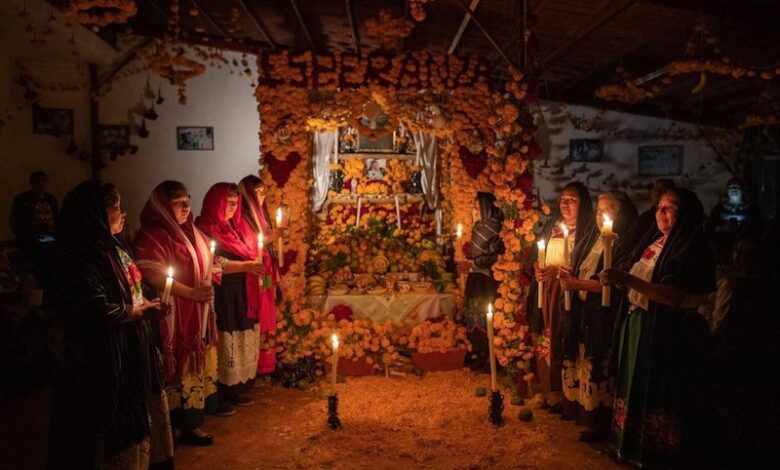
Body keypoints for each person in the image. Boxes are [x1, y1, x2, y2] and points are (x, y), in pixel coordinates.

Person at [48, 181, 172, 469]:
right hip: (103, 358)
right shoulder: (81, 256)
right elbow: (93, 308)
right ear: (94, 214)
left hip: (130, 347)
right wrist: (138, 312)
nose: (123, 212)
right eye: (116, 206)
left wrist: (148, 303)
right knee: (109, 432)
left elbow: (130, 288)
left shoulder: (114, 245)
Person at [601, 187, 715, 468]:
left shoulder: (689, 248)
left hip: (668, 333)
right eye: (658, 207)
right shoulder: (654, 242)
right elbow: (635, 275)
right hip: (638, 324)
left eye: (669, 207)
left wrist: (627, 280)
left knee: (658, 391)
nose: (660, 212)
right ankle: (627, 446)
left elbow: (672, 295)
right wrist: (618, 279)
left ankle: (655, 453)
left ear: (685, 213)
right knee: (633, 386)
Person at [135, 181, 217, 446]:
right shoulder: (153, 235)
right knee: (172, 368)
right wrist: (192, 293)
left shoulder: (191, 231)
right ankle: (170, 427)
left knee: (189, 368)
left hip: (195, 310)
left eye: (187, 201)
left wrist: (210, 277)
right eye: (177, 203)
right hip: (170, 313)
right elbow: (154, 274)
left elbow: (209, 262)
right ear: (161, 206)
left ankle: (191, 423)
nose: (186, 207)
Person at [559, 190, 639, 441]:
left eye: (608, 210)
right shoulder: (591, 239)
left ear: (621, 214)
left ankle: (600, 421)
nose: (601, 215)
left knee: (600, 364)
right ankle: (578, 408)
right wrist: (568, 274)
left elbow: (614, 283)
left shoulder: (626, 244)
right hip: (584, 311)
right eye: (598, 210)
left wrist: (577, 285)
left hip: (606, 314)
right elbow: (580, 268)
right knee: (583, 361)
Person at [195, 183, 265, 416]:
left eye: (235, 204)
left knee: (241, 336)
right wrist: (246, 266)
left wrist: (255, 263)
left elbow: (251, 251)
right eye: (228, 203)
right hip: (223, 292)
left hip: (242, 291)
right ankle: (220, 393)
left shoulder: (236, 227)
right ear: (215, 203)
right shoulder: (204, 228)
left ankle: (236, 387)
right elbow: (214, 263)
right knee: (226, 339)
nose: (232, 208)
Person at [531, 181, 595, 413]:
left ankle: (565, 395)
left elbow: (586, 263)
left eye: (572, 200)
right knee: (546, 337)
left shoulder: (588, 231)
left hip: (568, 293)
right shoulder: (553, 226)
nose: (565, 204)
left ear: (582, 204)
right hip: (547, 290)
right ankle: (549, 389)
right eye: (563, 199)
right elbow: (540, 254)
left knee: (563, 336)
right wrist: (539, 268)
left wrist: (559, 271)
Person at [238, 175, 279, 375]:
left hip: (266, 272)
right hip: (255, 274)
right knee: (261, 316)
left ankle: (267, 364)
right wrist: (274, 236)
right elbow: (252, 244)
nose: (262, 197)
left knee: (269, 315)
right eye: (258, 193)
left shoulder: (260, 215)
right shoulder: (244, 217)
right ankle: (259, 366)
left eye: (264, 192)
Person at [461, 192, 504, 370]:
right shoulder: (478, 226)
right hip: (475, 277)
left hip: (487, 279)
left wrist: (474, 262)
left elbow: (495, 255)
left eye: (478, 205)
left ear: (486, 206)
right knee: (474, 314)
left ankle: (491, 356)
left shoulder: (496, 227)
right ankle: (478, 352)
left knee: (487, 314)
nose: (475, 208)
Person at [10, 171, 59, 287]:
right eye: (37, 181)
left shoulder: (51, 200)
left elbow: (57, 219)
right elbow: (15, 221)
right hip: (30, 242)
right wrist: (26, 236)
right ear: (31, 183)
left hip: (50, 240)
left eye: (43, 181)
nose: (40, 184)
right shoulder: (22, 200)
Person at [707, 177, 762, 267]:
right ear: (727, 190)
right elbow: (709, 228)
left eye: (737, 187)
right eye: (731, 188)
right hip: (723, 245)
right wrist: (722, 228)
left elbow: (759, 227)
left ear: (742, 190)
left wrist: (743, 228)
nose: (734, 190)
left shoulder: (751, 209)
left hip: (746, 247)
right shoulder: (719, 209)